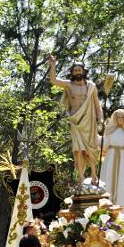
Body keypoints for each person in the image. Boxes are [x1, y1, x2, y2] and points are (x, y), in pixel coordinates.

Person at [48, 55, 103, 184]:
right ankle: (81, 176)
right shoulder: (68, 85)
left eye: (79, 70)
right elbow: (54, 80)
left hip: (89, 123)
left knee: (90, 150)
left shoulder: (91, 86)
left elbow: (97, 105)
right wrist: (53, 65)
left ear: (84, 71)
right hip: (75, 121)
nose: (78, 72)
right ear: (72, 73)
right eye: (75, 70)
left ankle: (94, 175)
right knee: (77, 150)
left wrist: (100, 119)